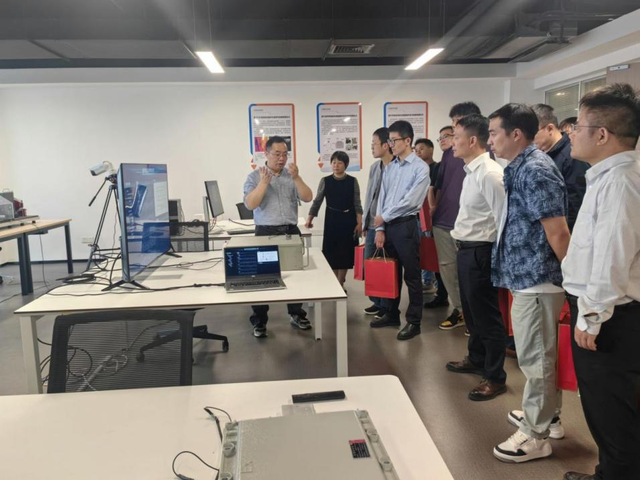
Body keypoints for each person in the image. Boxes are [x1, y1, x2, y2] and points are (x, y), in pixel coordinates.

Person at [562, 83, 640, 480]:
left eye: (578, 126)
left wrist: (591, 317)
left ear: (603, 134)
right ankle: (609, 471)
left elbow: (612, 258)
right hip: (605, 310)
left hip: (611, 316)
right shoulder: (607, 176)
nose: (571, 133)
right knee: (604, 405)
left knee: (611, 410)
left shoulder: (620, 182)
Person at [488, 103, 570, 463]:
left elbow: (558, 232)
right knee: (539, 356)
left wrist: (573, 283)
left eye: (494, 133)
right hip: (526, 278)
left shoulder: (535, 169)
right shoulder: (520, 167)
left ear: (516, 134)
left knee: (537, 361)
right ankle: (549, 416)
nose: (490, 140)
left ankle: (536, 435)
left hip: (538, 280)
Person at [445, 114, 507, 401]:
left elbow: (503, 220)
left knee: (486, 317)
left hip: (481, 251)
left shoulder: (490, 174)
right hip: (466, 249)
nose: (451, 143)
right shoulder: (472, 171)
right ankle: (477, 358)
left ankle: (495, 377)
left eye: (455, 137)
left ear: (472, 140)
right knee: (471, 313)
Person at [243, 135, 313, 338]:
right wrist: (264, 183)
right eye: (277, 154)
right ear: (266, 154)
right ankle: (259, 320)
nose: (281, 159)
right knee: (262, 278)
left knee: (296, 275)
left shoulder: (291, 175)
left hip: (290, 231)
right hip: (265, 232)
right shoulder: (254, 177)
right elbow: (250, 204)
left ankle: (296, 314)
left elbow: (307, 197)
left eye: (285, 154)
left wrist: (297, 178)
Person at [370, 120, 430, 340]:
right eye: (389, 140)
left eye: (394, 140)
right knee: (391, 273)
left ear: (407, 140)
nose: (391, 144)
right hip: (388, 227)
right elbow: (382, 198)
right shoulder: (391, 167)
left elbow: (411, 201)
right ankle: (391, 313)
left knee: (412, 276)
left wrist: (384, 217)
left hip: (406, 225)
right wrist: (380, 227)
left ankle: (414, 321)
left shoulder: (420, 168)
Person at [428, 101, 481, 329]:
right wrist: (434, 210)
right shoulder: (450, 153)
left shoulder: (485, 156)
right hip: (444, 220)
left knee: (469, 272)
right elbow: (439, 185)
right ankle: (459, 310)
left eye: (456, 122)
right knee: (448, 268)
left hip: (470, 225)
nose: (453, 128)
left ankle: (473, 316)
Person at [306, 150, 363, 289]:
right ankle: (335, 283)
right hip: (332, 220)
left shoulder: (352, 181)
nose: (336, 165)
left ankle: (340, 282)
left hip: (349, 220)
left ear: (346, 165)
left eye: (339, 163)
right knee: (332, 253)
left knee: (345, 253)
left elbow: (357, 203)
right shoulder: (325, 181)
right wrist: (309, 219)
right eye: (333, 162)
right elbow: (317, 201)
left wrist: (359, 223)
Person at [533, 104, 589, 231]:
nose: (529, 139)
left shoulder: (572, 155)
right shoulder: (544, 155)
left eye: (533, 133)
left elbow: (575, 204)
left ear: (550, 128)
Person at [361, 127, 395, 318]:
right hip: (373, 224)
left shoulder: (396, 167)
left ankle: (387, 307)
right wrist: (366, 222)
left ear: (386, 145)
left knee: (386, 266)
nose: (371, 147)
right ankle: (378, 302)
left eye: (374, 144)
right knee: (371, 265)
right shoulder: (375, 167)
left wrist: (382, 227)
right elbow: (369, 196)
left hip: (388, 225)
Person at [414, 138, 440, 294]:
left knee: (431, 249)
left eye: (421, 149)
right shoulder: (415, 170)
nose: (418, 152)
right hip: (416, 216)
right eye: (416, 150)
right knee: (420, 250)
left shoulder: (437, 168)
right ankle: (425, 280)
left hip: (432, 216)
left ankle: (430, 281)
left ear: (431, 149)